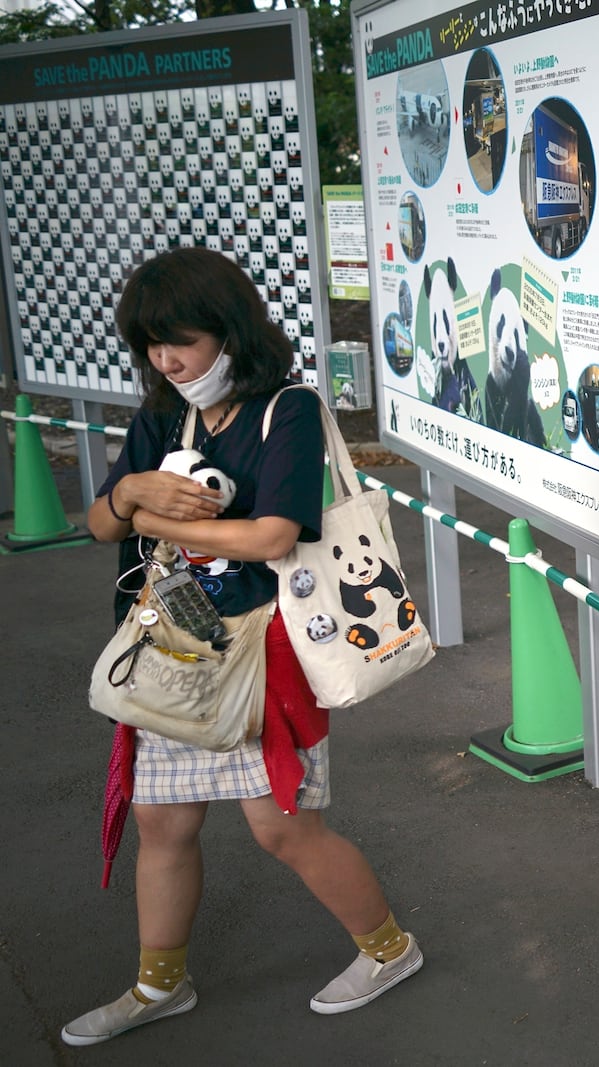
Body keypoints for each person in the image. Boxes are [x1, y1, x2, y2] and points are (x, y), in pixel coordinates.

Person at [63, 247, 422, 1046]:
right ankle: (159, 983)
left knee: (283, 827)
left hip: (267, 652)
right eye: (151, 345)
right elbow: (96, 521)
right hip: (176, 646)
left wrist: (148, 514)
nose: (167, 359)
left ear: (228, 330)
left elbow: (270, 535)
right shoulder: (164, 413)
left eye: (179, 340)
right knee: (161, 823)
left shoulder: (284, 408)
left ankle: (390, 949)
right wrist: (127, 491)